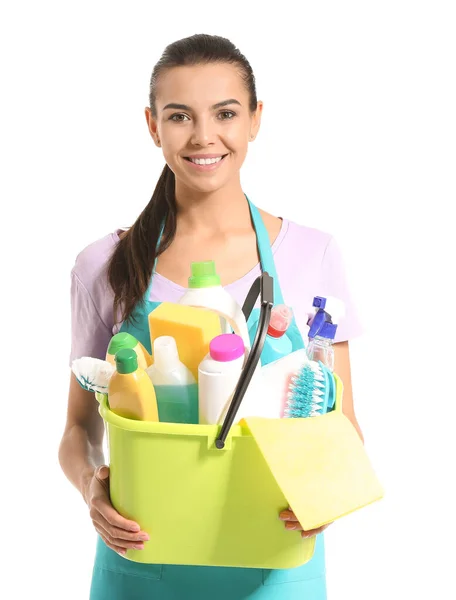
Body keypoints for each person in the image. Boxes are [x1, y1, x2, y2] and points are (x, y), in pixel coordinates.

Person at [59, 33, 364, 600]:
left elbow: (344, 426)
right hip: (142, 562)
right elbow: (78, 427)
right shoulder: (104, 264)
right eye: (180, 116)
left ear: (254, 119)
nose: (204, 136)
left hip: (276, 566)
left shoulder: (311, 253)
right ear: (152, 126)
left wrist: (327, 498)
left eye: (225, 113)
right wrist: (91, 491)